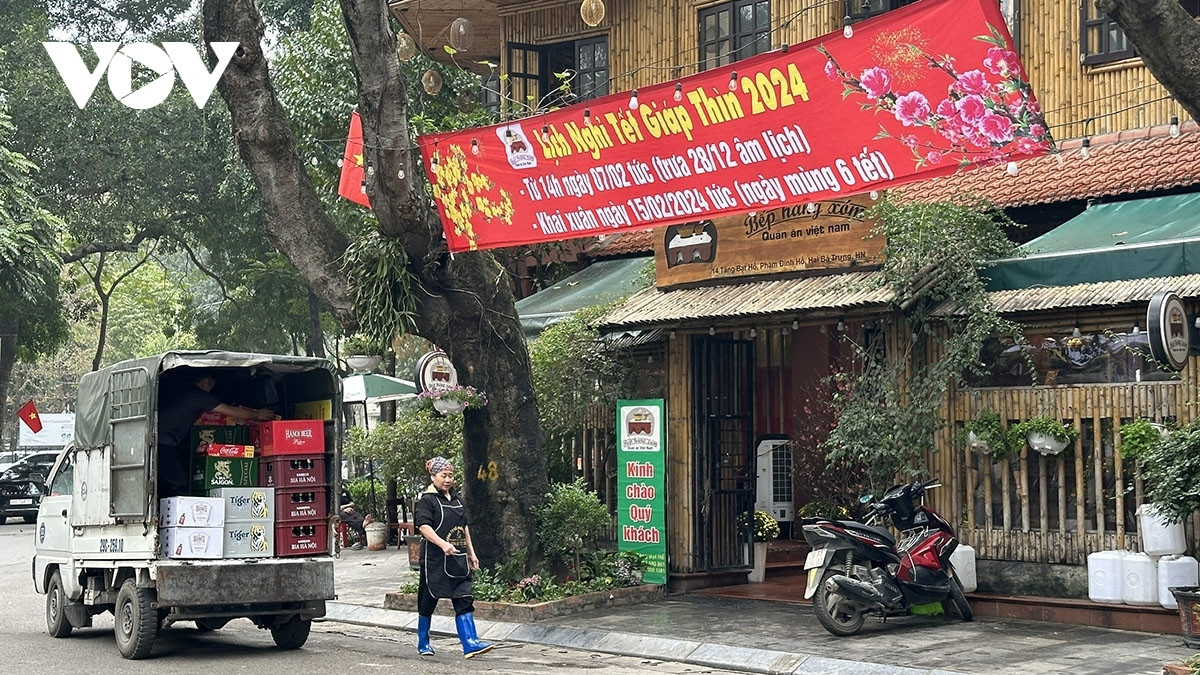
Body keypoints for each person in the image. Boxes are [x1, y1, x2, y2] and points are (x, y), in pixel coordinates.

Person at [413, 456, 492, 658]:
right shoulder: (426, 501)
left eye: (451, 475)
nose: (448, 480)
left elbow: (464, 528)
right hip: (434, 560)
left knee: (464, 597)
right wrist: (442, 544)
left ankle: (470, 643)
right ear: (433, 477)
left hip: (458, 559)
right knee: (428, 600)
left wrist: (472, 554)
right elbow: (423, 527)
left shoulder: (457, 501)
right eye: (443, 476)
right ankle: (423, 642)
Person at [157, 374, 278, 498]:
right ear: (206, 381)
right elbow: (230, 411)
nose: (210, 391)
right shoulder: (199, 395)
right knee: (178, 483)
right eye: (211, 386)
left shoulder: (182, 391)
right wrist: (257, 414)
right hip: (164, 441)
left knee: (169, 480)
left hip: (164, 440)